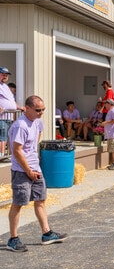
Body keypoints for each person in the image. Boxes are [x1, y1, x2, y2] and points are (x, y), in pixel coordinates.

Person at [6, 95, 67, 252]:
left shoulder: (38, 122)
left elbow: (35, 142)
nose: (41, 113)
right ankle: (13, 238)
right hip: (22, 170)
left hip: (36, 168)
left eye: (43, 110)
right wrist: (28, 170)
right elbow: (17, 150)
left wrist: (35, 166)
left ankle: (46, 233)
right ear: (27, 109)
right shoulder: (20, 126)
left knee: (40, 200)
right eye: (38, 110)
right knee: (18, 203)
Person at [0, 67, 19, 156]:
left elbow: (11, 100)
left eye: (6, 75)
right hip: (2, 116)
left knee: (7, 136)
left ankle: (5, 154)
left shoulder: (6, 87)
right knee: (2, 136)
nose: (5, 77)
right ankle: (1, 155)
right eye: (3, 75)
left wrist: (18, 107)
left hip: (9, 117)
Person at [102, 98, 114, 170]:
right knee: (113, 149)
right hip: (112, 134)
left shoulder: (113, 111)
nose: (104, 105)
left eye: (105, 104)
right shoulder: (111, 111)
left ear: (109, 104)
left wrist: (106, 122)